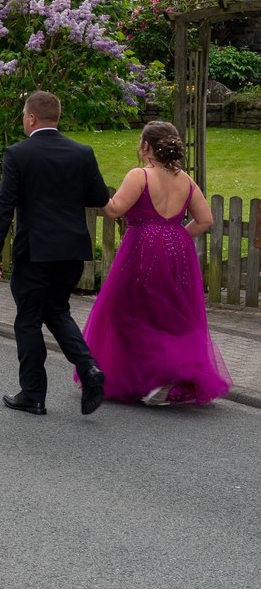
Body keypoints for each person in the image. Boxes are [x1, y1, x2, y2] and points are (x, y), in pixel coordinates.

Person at [86, 122, 231, 406]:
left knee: (129, 311)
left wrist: (95, 191)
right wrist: (174, 236)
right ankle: (163, 377)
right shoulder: (186, 180)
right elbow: (206, 221)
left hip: (141, 249)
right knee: (171, 314)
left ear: (146, 147)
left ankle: (149, 377)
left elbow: (114, 209)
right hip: (177, 252)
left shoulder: (139, 175)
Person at [0, 90, 110, 417]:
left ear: (30, 118)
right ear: (56, 118)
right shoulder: (82, 152)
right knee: (56, 310)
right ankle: (89, 369)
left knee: (28, 319)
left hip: (34, 250)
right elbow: (97, 195)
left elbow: (4, 206)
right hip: (71, 250)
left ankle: (33, 393)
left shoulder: (18, 154)